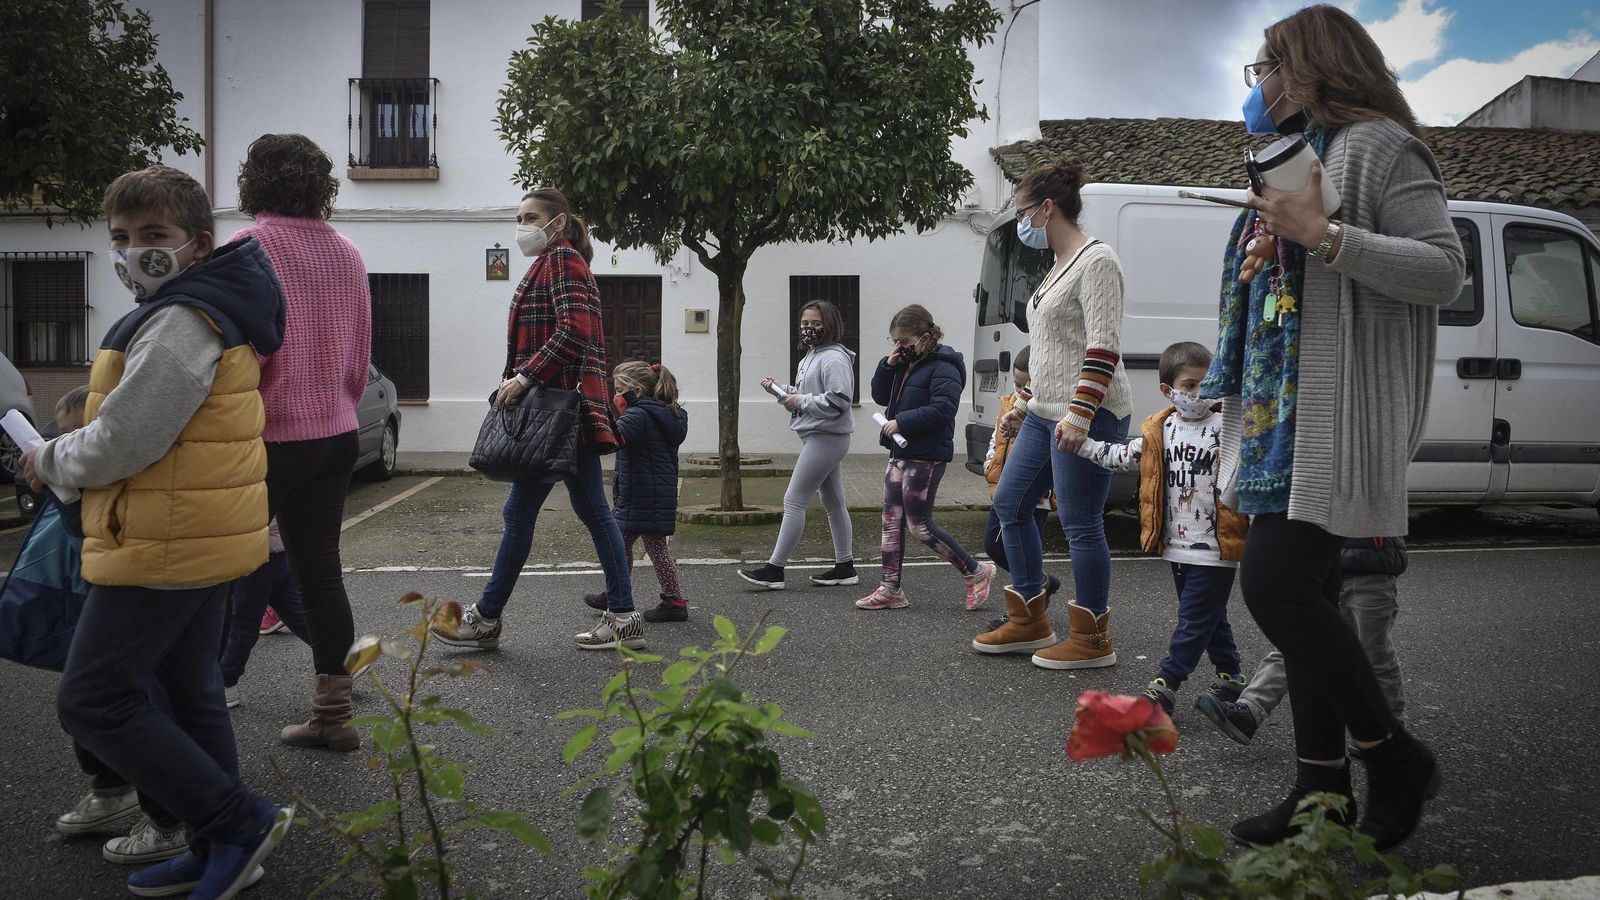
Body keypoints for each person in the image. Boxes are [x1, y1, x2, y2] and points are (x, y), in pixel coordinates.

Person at [1206, 6, 1461, 851]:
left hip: (1336, 416)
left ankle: (1393, 757)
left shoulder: (1385, 146)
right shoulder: (1298, 157)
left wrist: (1326, 235)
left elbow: (1444, 271)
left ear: (1307, 65)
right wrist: (1270, 256)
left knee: (1275, 589)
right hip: (1282, 417)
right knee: (1300, 600)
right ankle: (1321, 797)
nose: (1258, 88)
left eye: (1263, 68)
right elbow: (1301, 280)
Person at [24, 164, 290, 899]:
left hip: (166, 539)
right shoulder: (202, 306)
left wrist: (47, 456)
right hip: (198, 532)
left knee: (94, 698)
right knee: (189, 689)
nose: (134, 250)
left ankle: (237, 823)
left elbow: (124, 439)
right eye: (120, 237)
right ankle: (219, 851)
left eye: (154, 235)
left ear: (197, 244)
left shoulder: (180, 319)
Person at [431, 187, 643, 651]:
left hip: (563, 412)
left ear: (558, 222)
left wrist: (526, 378)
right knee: (583, 512)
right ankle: (620, 614)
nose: (522, 225)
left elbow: (576, 331)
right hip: (565, 412)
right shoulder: (550, 262)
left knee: (535, 513)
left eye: (531, 216)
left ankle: (488, 616)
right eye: (520, 216)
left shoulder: (563, 262)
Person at [229, 133, 371, 752]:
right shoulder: (348, 254)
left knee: (216, 574)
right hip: (336, 432)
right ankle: (332, 718)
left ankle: (190, 713)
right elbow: (360, 362)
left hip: (263, 439)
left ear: (253, 181)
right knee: (320, 575)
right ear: (322, 184)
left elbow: (235, 355)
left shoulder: (245, 248)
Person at [975, 159, 1132, 669]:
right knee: (1011, 504)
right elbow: (1050, 352)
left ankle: (1091, 639)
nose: (1019, 224)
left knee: (1081, 522)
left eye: (1022, 212)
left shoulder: (1097, 261)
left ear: (1047, 208)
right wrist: (1024, 406)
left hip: (1090, 414)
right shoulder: (1057, 267)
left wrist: (1080, 417)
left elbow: (1102, 347)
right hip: (1045, 412)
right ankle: (1030, 618)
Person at [46, 387, 189, 867]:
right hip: (128, 576)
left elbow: (87, 527)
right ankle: (116, 788)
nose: (63, 446)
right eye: (59, 435)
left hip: (138, 576)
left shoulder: (113, 465)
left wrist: (61, 485)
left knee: (107, 694)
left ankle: (192, 820)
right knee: (106, 694)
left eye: (72, 436)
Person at [1074, 342, 1249, 714]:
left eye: (1206, 383)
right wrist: (1082, 445)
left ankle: (1165, 686)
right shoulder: (1161, 430)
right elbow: (1121, 456)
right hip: (1176, 543)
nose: (1198, 393)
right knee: (1207, 615)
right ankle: (1231, 675)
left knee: (1193, 618)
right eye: (1189, 385)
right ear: (1167, 390)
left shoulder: (1227, 428)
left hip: (1217, 545)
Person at [1196, 536, 1409, 745]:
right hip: (1321, 564)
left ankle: (1391, 735)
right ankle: (1249, 711)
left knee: (1374, 654)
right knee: (1296, 640)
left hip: (1369, 566)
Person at [858, 305, 995, 611]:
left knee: (920, 526)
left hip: (927, 455)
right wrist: (887, 366)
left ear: (924, 336)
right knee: (891, 523)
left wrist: (902, 422)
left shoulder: (944, 365)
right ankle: (890, 589)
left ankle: (976, 572)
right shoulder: (906, 363)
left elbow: (944, 408)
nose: (899, 347)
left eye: (904, 341)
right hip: (900, 451)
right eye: (894, 341)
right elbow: (881, 397)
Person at [740, 300, 858, 590]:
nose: (809, 329)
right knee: (833, 502)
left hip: (826, 438)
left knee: (794, 500)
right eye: (805, 324)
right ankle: (845, 567)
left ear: (829, 324)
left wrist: (798, 400)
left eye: (815, 324)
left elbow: (838, 401)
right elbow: (808, 395)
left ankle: (775, 570)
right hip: (820, 436)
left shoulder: (833, 359)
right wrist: (782, 392)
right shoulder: (811, 357)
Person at [583, 361, 691, 622]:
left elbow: (612, 439)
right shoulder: (668, 413)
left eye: (619, 390)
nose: (616, 395)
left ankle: (619, 594)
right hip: (655, 493)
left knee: (618, 545)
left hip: (639, 494)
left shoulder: (637, 415)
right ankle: (671, 600)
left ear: (637, 391)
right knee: (649, 547)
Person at [979, 347, 1060, 631]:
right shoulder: (1011, 405)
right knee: (993, 545)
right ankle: (1037, 583)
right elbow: (997, 439)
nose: (1022, 391)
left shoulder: (1045, 412)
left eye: (1028, 385)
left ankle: (1024, 608)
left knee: (1019, 549)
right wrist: (990, 463)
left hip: (1035, 496)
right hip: (1004, 488)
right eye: (1017, 384)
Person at [218, 518, 313, 709]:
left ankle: (226, 680)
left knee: (242, 622)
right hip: (278, 544)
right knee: (298, 612)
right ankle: (342, 659)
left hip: (253, 548)